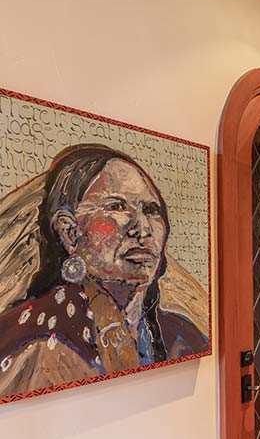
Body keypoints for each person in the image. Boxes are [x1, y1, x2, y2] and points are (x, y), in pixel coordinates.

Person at [0, 144, 207, 397]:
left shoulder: (183, 337)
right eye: (117, 206)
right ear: (70, 232)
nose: (143, 228)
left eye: (152, 210)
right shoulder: (37, 343)